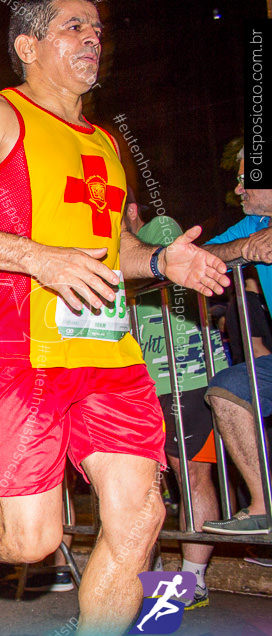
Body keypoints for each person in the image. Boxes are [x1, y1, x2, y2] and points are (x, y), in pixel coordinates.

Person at [0, 0, 228, 636]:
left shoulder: (105, 143)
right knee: (32, 540)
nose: (92, 39)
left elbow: (110, 252)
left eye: (97, 28)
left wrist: (162, 260)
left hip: (111, 353)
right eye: (73, 26)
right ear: (26, 45)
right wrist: (36, 258)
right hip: (20, 347)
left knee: (138, 518)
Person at [127, 199, 227, 609]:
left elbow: (171, 275)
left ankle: (193, 580)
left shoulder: (161, 229)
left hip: (183, 371)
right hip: (142, 381)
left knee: (192, 476)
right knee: (143, 484)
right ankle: (149, 578)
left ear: (130, 208)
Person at [202, 148, 272, 535]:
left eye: (248, 178)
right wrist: (244, 248)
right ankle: (264, 510)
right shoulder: (255, 224)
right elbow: (198, 257)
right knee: (227, 391)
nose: (239, 187)